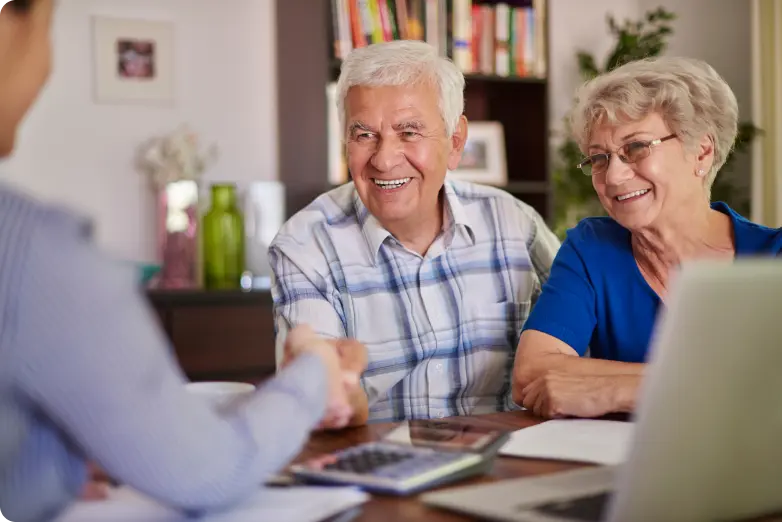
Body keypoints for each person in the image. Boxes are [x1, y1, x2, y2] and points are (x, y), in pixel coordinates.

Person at [0, 1, 363, 521]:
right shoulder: (35, 253)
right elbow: (211, 469)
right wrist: (313, 368)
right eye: (47, 28)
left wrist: (54, 460)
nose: (47, 62)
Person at [270, 40, 560, 424]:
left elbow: (580, 350)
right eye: (364, 135)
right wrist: (335, 392)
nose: (384, 159)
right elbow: (324, 404)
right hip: (380, 471)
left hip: (508, 465)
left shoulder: (516, 223)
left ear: (455, 143)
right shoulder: (303, 246)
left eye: (408, 132)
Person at [512, 56, 782, 419]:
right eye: (599, 158)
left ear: (701, 151)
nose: (614, 177)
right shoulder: (592, 249)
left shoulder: (773, 257)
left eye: (635, 148)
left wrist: (624, 387)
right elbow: (531, 375)